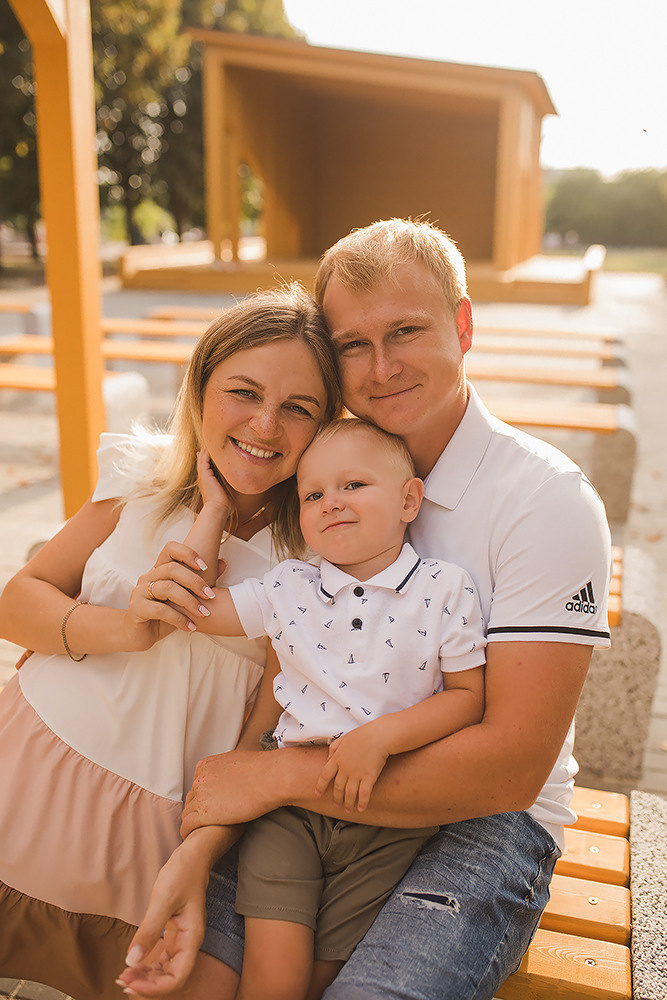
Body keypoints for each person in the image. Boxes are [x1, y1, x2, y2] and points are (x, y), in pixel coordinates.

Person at [120, 218, 613, 1000]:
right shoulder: (316, 482)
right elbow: (284, 672)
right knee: (189, 988)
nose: (380, 368)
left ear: (462, 324)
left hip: (480, 821)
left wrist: (279, 778)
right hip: (306, 799)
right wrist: (207, 840)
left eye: (405, 332)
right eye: (352, 344)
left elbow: (511, 767)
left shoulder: (544, 501)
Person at [0, 283, 342, 1000]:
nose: (265, 424)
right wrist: (126, 625)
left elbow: (264, 734)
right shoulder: (141, 477)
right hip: (22, 775)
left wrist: (200, 849)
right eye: (242, 392)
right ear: (199, 387)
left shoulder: (316, 560)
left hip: (149, 834)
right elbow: (20, 602)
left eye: (298, 408)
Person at [141, 418, 484, 1000]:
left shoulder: (444, 588)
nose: (332, 503)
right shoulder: (288, 587)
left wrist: (382, 738)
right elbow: (186, 602)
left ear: (409, 500)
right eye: (313, 494)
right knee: (274, 976)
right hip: (288, 810)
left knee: (328, 981)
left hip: (392, 814)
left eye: (353, 485)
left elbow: (467, 698)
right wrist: (215, 511)